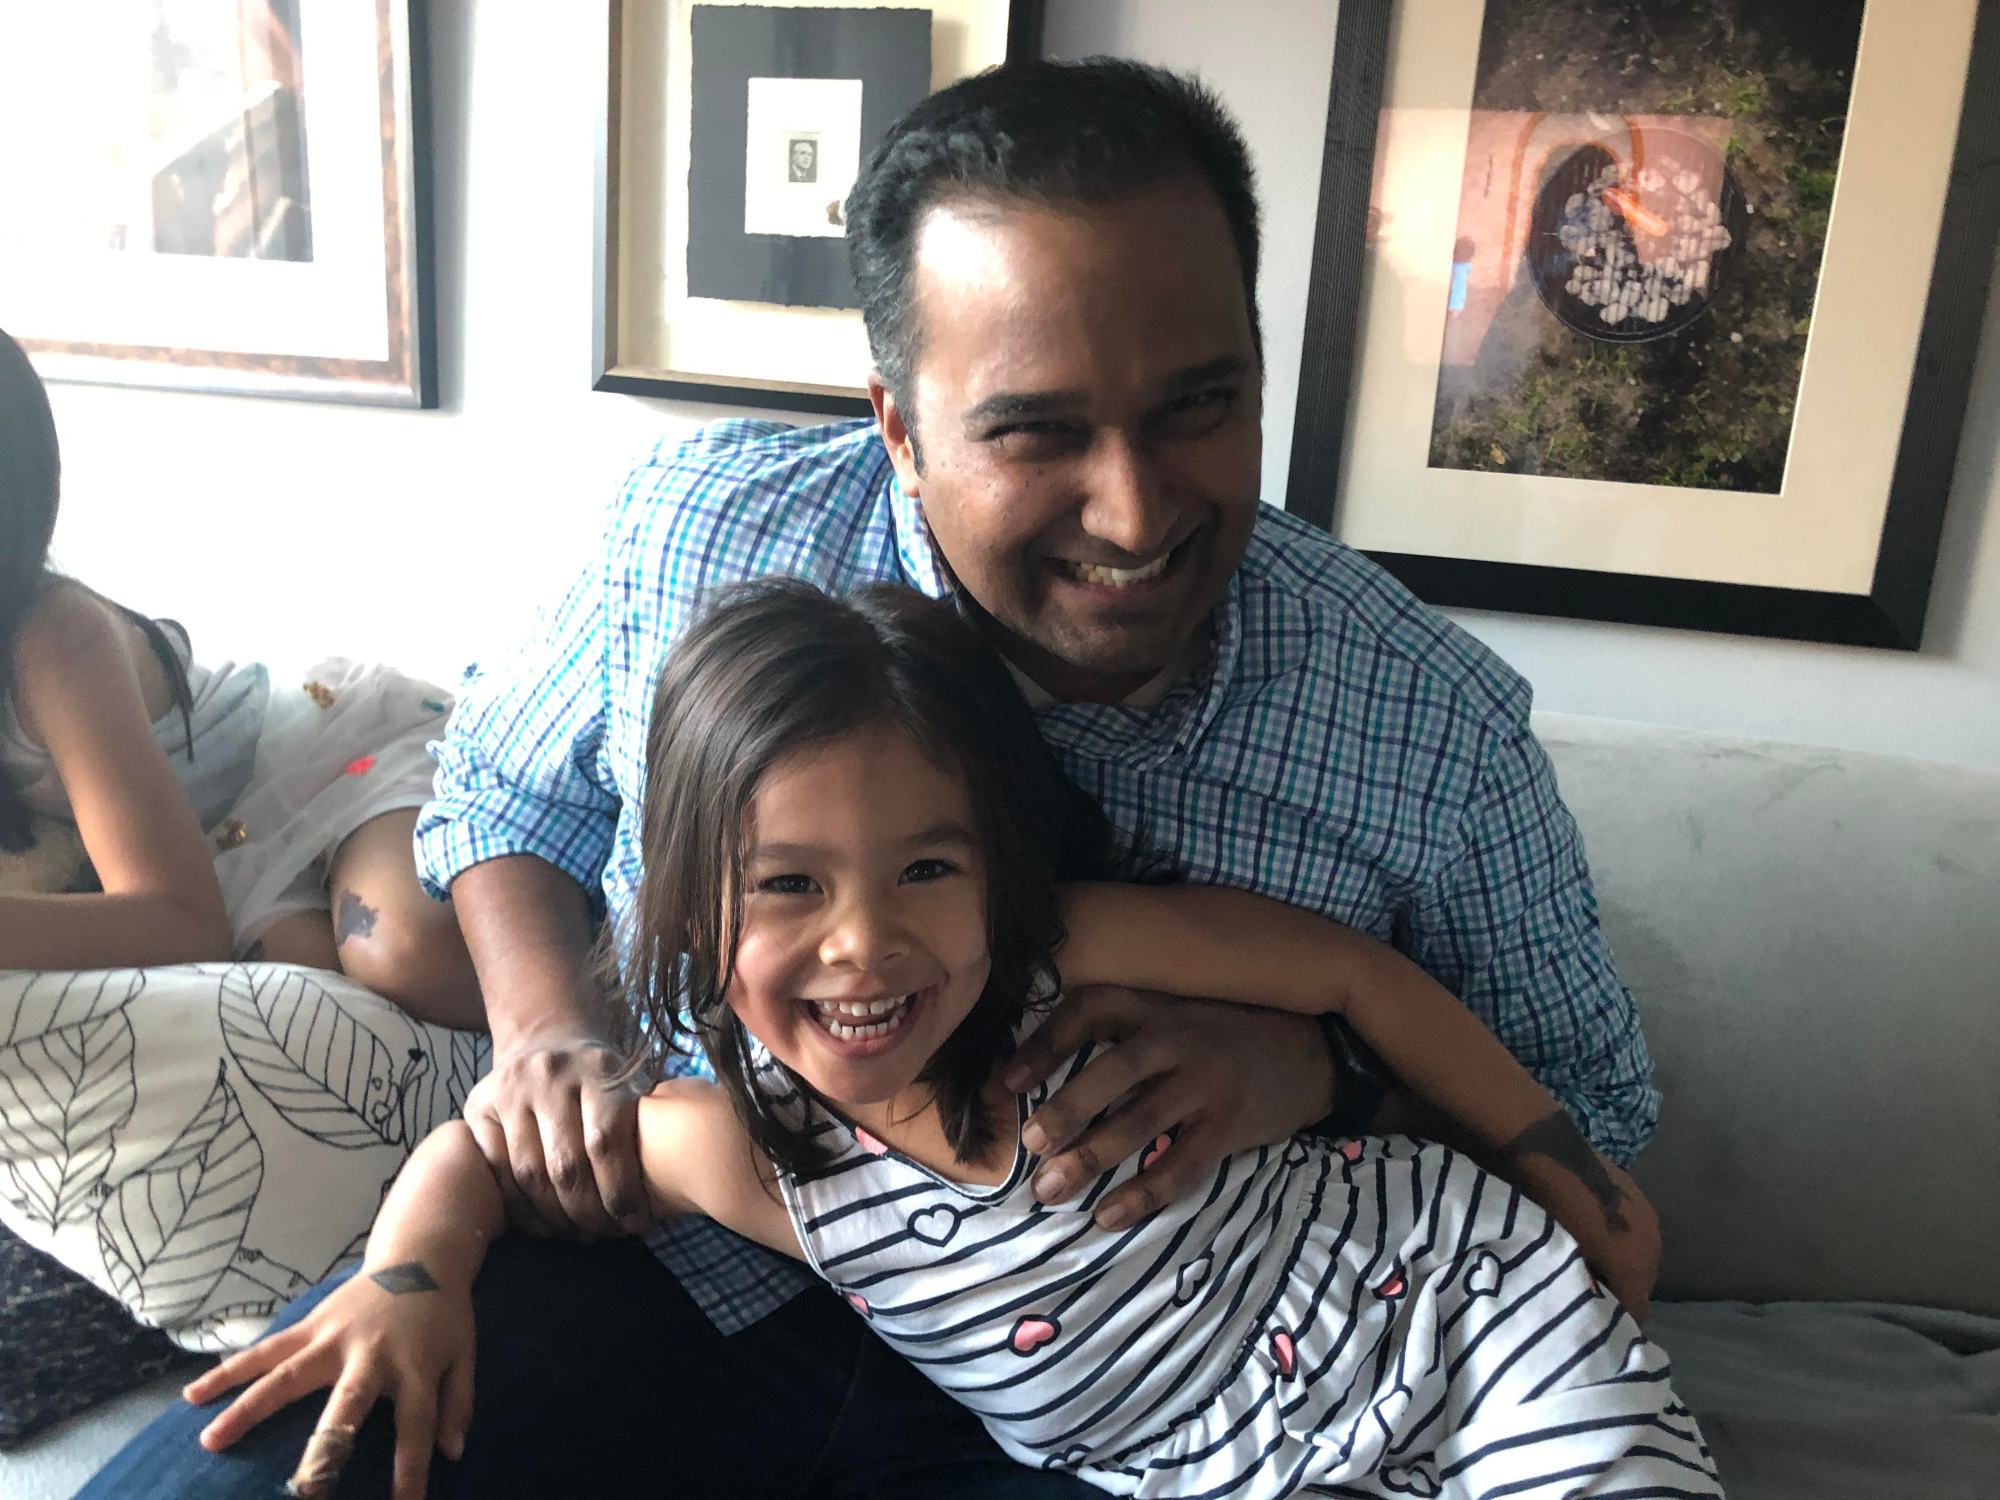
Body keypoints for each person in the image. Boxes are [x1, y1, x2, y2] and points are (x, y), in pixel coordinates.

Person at [87, 58, 1658, 1496]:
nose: (1133, 512)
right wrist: (548, 1030)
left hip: (1137, 1382)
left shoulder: (1430, 720)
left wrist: (1315, 1079)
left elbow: (1594, 1117)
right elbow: (504, 794)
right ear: (899, 428)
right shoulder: (695, 537)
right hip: (666, 1264)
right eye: (1036, 434)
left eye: (1199, 407)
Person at [188, 581, 1713, 1500]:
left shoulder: (1068, 949)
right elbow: (483, 1151)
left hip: (1468, 1309)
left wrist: (1557, 1165)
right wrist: (406, 1282)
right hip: (1210, 1470)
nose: (866, 944)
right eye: (789, 886)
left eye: (926, 868)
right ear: (691, 909)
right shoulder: (742, 1155)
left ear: (998, 866)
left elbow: (1351, 972)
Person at [0, 327, 479, 1025]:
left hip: (331, 762)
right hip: (226, 850)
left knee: (398, 952)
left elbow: (179, 921)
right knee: (307, 1001)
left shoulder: (57, 639)